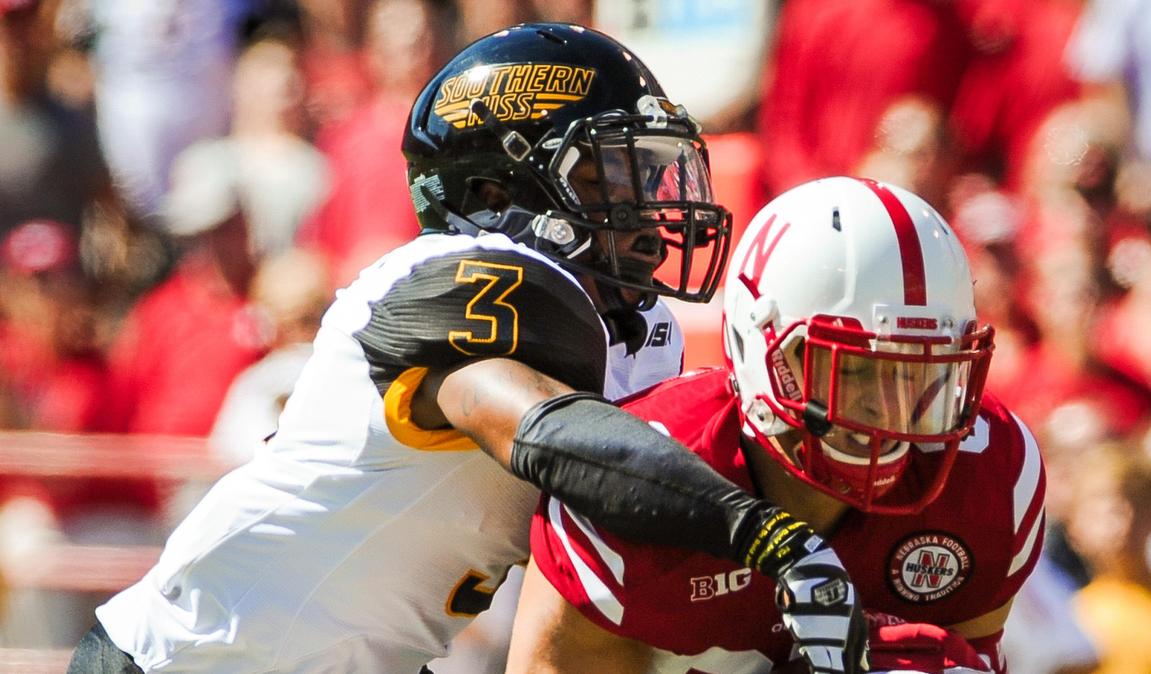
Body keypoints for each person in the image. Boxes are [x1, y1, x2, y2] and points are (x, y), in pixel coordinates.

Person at [67, 24, 868, 674]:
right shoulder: (455, 278)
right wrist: (760, 532)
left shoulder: (636, 330)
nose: (648, 204)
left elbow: (629, 536)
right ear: (496, 194)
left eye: (651, 172)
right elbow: (545, 433)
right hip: (189, 659)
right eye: (613, 176)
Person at [508, 176, 1047, 673]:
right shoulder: (635, 485)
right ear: (759, 348)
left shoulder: (991, 475)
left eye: (916, 372)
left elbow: (974, 646)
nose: (890, 409)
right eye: (856, 368)